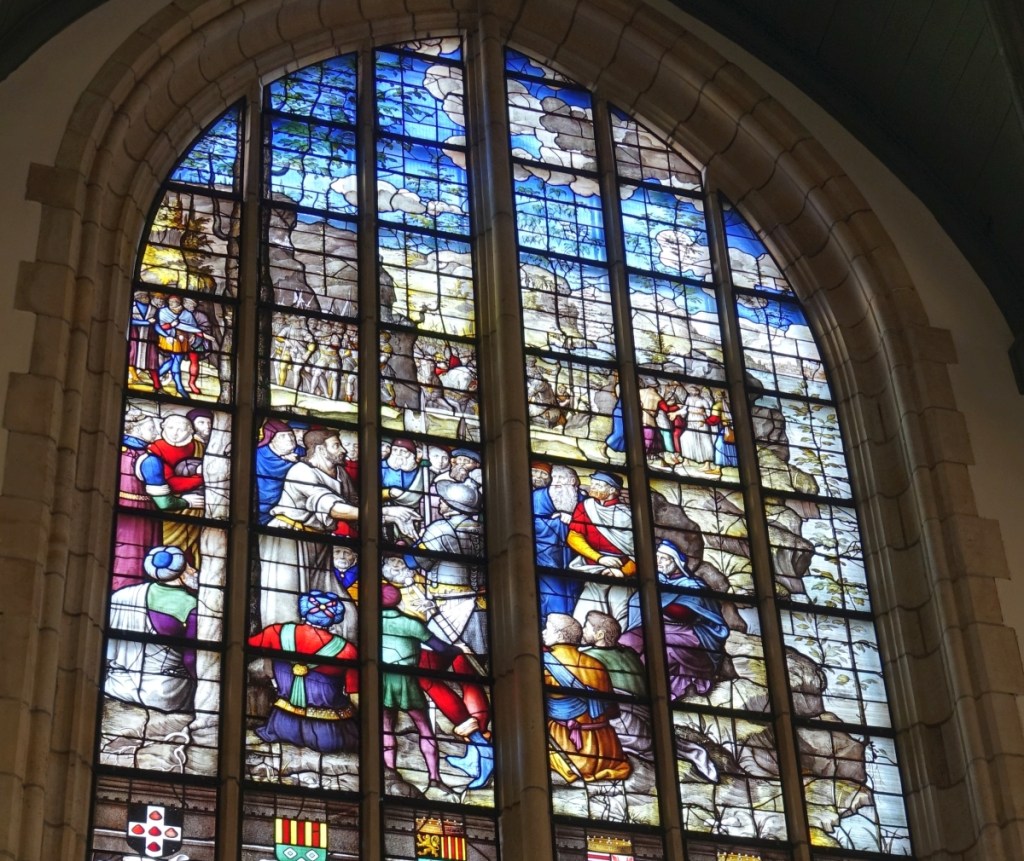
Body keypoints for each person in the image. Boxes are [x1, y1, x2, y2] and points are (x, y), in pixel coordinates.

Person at [248, 590, 359, 753]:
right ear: (335, 618)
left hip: (281, 726)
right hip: (330, 735)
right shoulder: (347, 651)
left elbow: (248, 647)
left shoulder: (276, 633)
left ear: (304, 610)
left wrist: (269, 660)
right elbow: (354, 692)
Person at [380, 584, 460, 792]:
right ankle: (434, 777)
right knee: (424, 727)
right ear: (398, 600)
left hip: (382, 680)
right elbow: (442, 649)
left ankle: (390, 772)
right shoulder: (411, 624)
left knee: (386, 727)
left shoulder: (369, 622)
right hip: (407, 680)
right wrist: (456, 650)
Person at [105, 545, 199, 712]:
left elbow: (108, 649)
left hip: (118, 685)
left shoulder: (123, 595)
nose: (193, 571)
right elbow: (190, 659)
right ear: (181, 572)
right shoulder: (191, 606)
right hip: (163, 694)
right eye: (189, 566)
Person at [541, 613, 631, 783]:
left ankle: (570, 770)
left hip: (568, 747)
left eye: (548, 629)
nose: (543, 633)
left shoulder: (544, 664)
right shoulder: (597, 665)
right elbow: (612, 711)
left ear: (560, 636)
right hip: (607, 751)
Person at [566, 472, 636, 627]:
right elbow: (574, 536)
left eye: (598, 484)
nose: (593, 487)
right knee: (583, 615)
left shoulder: (629, 515)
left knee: (621, 616)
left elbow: (638, 553)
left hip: (623, 573)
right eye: (593, 483)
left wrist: (623, 572)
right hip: (594, 569)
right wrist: (599, 558)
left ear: (612, 490)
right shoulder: (585, 507)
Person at [580, 610, 650, 757]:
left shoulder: (589, 658)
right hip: (647, 726)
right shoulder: (630, 653)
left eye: (586, 627)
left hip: (623, 726)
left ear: (600, 635)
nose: (583, 630)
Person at [113, 409, 163, 591]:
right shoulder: (148, 460)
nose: (156, 432)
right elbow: (163, 498)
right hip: (141, 512)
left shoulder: (117, 451)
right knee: (135, 553)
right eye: (151, 428)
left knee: (121, 551)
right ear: (136, 429)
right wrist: (187, 502)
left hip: (122, 508)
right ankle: (130, 592)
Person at [532, 463, 583, 617]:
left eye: (562, 478)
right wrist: (558, 520)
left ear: (573, 481)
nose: (557, 481)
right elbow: (532, 524)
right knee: (554, 598)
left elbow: (591, 527)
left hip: (575, 559)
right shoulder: (538, 496)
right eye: (554, 477)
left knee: (575, 597)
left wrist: (572, 521)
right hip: (546, 558)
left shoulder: (583, 501)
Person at [254, 419, 300, 526]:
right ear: (271, 438)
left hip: (288, 510)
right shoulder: (258, 455)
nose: (289, 439)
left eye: (291, 435)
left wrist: (299, 460)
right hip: (259, 507)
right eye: (282, 436)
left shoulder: (301, 453)